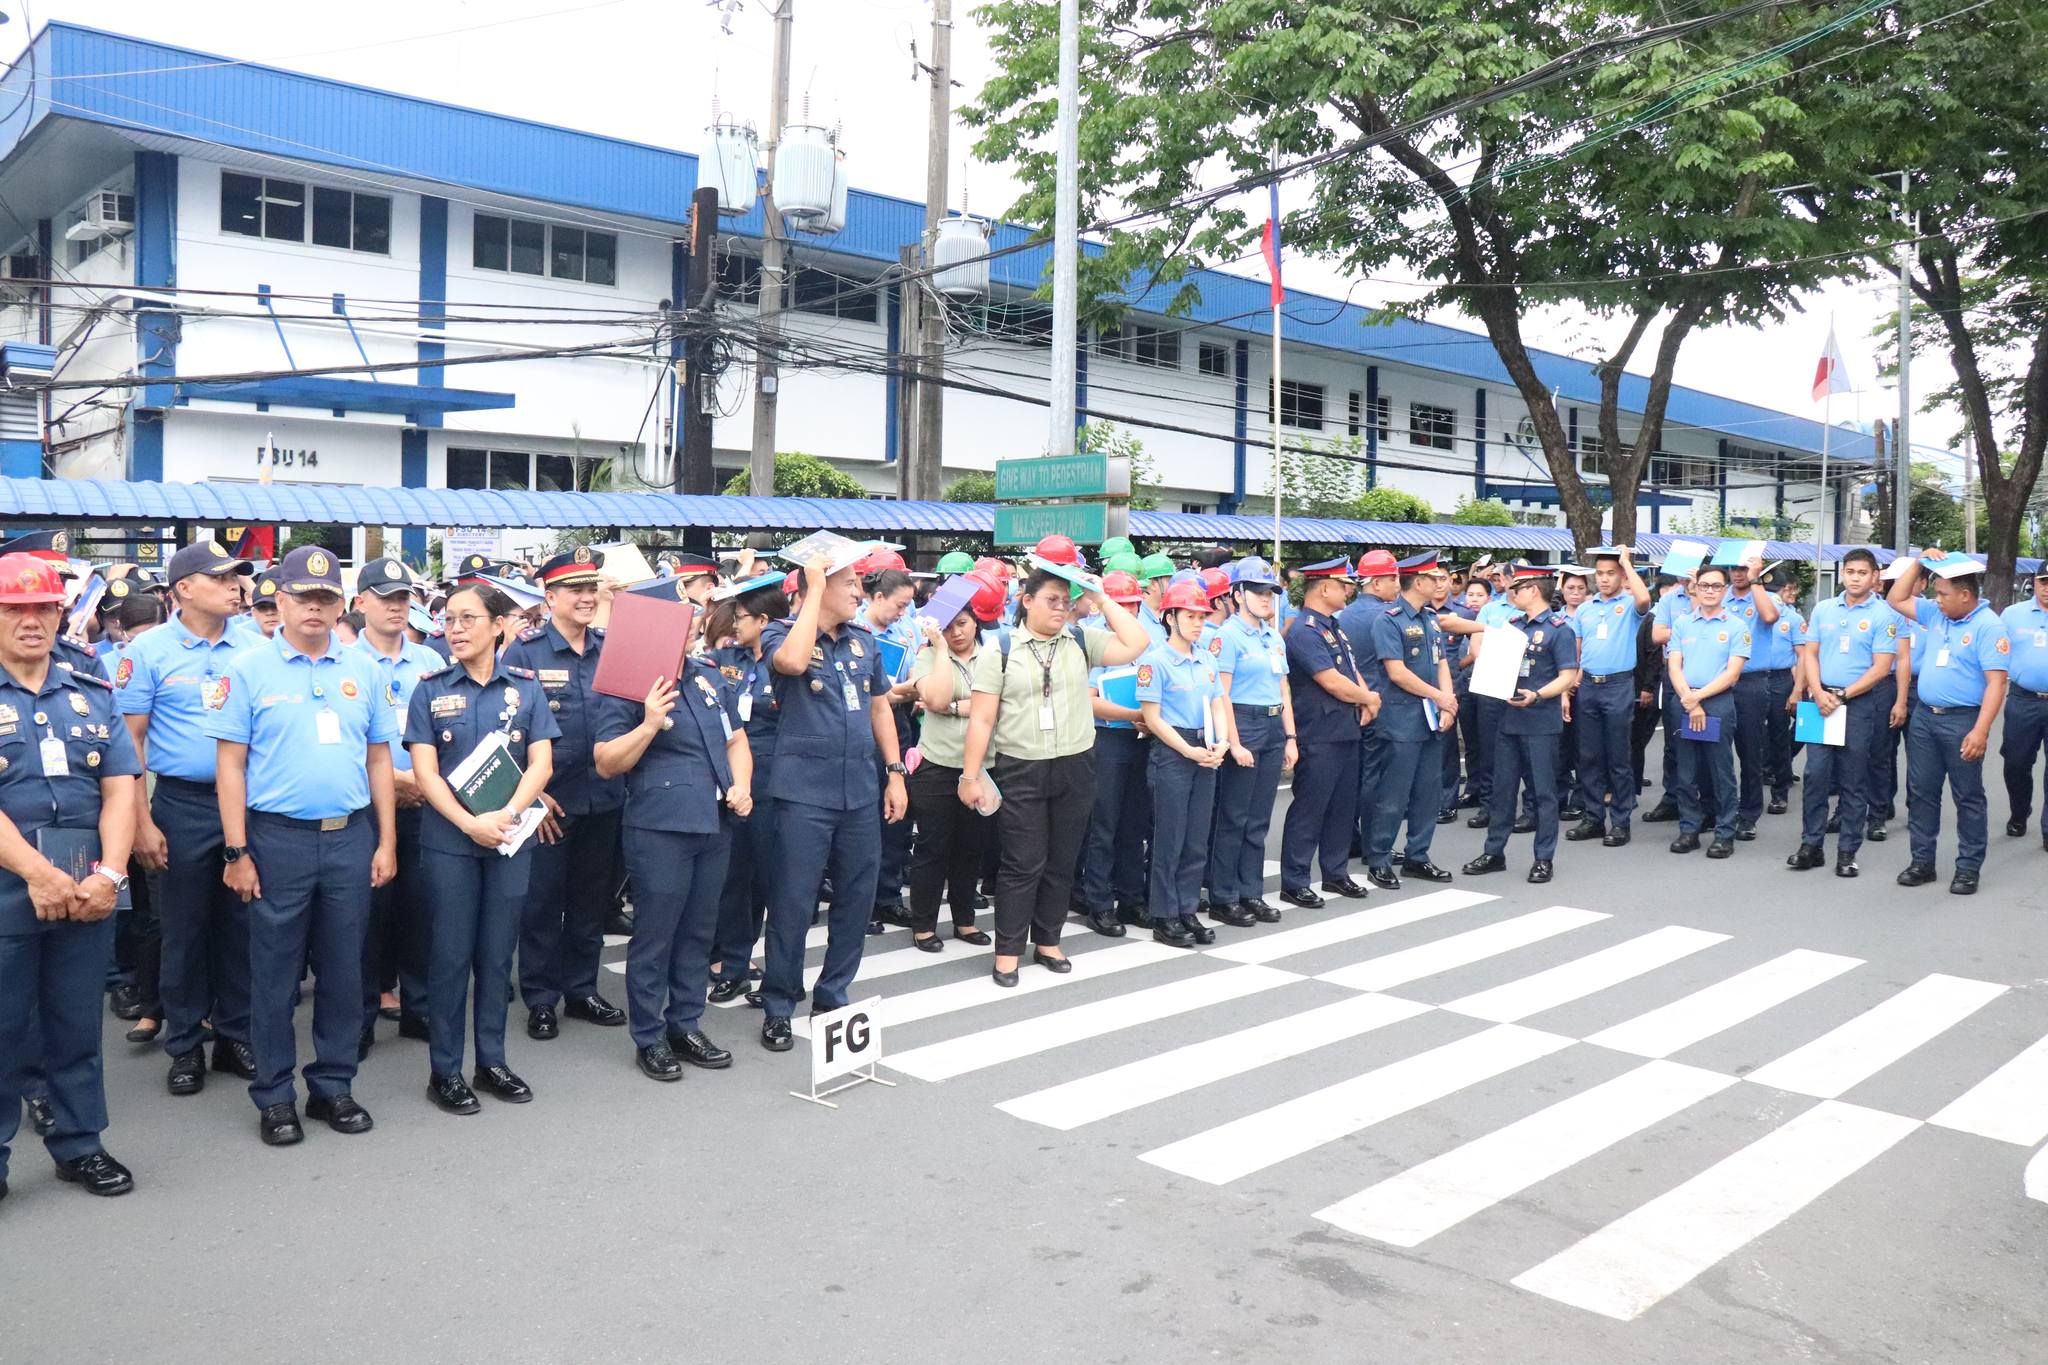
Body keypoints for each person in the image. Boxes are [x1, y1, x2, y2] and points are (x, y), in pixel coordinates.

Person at [206, 545, 398, 1146]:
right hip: (276, 840)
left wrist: (386, 840)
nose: (315, 608)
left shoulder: (363, 668)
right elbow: (230, 766)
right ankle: (274, 1096)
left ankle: (333, 1086)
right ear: (279, 600)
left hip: (349, 837)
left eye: (326, 599)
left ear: (341, 605)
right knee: (274, 975)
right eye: (302, 597)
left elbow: (378, 758)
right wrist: (236, 853)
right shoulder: (247, 668)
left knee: (345, 970)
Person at [0, 552, 142, 1200]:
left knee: (75, 1024)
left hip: (87, 889)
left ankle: (80, 1144)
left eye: (42, 608)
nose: (30, 620)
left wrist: (111, 872)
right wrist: (35, 871)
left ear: (60, 613)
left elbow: (120, 788)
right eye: (14, 609)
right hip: (8, 890)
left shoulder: (91, 690)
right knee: (4, 1025)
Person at [403, 584, 557, 1111]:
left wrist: (508, 816)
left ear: (498, 626)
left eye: (469, 618)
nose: (457, 628)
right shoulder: (430, 689)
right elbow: (425, 772)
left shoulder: (526, 688)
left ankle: (491, 1061)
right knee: (449, 957)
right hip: (450, 842)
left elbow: (542, 763)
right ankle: (444, 1070)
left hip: (510, 840)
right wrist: (470, 824)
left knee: (496, 957)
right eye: (449, 619)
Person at [115, 539, 258, 1098]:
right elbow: (131, 744)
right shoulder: (149, 652)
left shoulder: (251, 645)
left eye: (235, 578)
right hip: (179, 805)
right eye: (221, 578)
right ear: (183, 590)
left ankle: (234, 1035)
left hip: (244, 804)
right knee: (184, 932)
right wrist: (143, 824)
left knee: (241, 927)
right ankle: (184, 1047)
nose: (234, 587)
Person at [958, 568, 1147, 986]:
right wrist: (970, 776)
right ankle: (1008, 950)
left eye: (1066, 600)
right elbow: (983, 717)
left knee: (1062, 860)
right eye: (1051, 600)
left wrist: (1100, 596)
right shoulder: (1001, 648)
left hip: (1075, 764)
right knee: (1023, 862)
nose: (1061, 607)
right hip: (1020, 766)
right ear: (1026, 600)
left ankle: (1048, 940)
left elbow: (1137, 642)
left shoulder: (1080, 640)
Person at [758, 552, 909, 1048]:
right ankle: (779, 1002)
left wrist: (895, 772)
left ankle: (833, 994)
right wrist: (816, 590)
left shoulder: (864, 641)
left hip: (859, 792)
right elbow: (792, 664)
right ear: (818, 587)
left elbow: (879, 708)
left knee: (856, 899)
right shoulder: (782, 633)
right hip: (803, 794)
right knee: (794, 902)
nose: (859, 594)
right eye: (849, 584)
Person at [594, 642, 752, 1080]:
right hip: (659, 827)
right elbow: (606, 762)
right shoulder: (628, 684)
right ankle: (649, 1035)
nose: (688, 628)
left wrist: (742, 785)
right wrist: (647, 724)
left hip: (714, 821)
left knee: (698, 932)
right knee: (656, 936)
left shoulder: (707, 674)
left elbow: (735, 739)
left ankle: (685, 1024)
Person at [503, 548, 628, 1040]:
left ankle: (581, 989)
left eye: (590, 587)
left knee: (591, 902)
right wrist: (531, 796)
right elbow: (506, 729)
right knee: (541, 905)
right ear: (549, 597)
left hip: (604, 797)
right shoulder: (525, 652)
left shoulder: (609, 648)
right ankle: (540, 997)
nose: (585, 597)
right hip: (548, 802)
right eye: (573, 588)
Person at [351, 556, 444, 1055]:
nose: (395, 607)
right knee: (367, 916)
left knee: (422, 911)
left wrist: (421, 783)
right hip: (368, 807)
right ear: (361, 602)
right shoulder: (345, 661)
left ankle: (419, 1008)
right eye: (385, 598)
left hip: (425, 804)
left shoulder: (430, 662)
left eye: (403, 598)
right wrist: (395, 781)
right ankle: (362, 1014)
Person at [1886, 552, 2009, 894]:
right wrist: (1919, 563)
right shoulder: (1936, 615)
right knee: (1922, 792)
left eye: (1942, 594)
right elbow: (1896, 597)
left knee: (1967, 796)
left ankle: (1968, 868)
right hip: (1925, 717)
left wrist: (1980, 731)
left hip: (1962, 721)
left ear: (1965, 595)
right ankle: (1922, 862)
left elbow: (1997, 683)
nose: (1935, 600)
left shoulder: (1988, 626)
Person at [1462, 563, 1581, 883]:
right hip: (1508, 718)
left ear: (1532, 590)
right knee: (1502, 790)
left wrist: (1539, 695)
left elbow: (1567, 676)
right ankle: (1494, 851)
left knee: (1543, 793)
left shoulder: (1559, 629)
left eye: (1516, 588)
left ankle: (1543, 857)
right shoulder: (1513, 625)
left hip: (1540, 721)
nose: (1511, 593)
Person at [1786, 548, 1899, 878]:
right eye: (1850, 571)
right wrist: (1818, 691)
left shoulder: (1883, 615)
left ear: (1874, 577)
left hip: (1858, 703)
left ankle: (1847, 851)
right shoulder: (1823, 609)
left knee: (1853, 780)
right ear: (1842, 574)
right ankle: (1811, 845)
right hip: (1820, 701)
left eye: (1862, 573)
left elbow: (1881, 668)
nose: (1855, 578)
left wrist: (1843, 695)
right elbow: (1810, 653)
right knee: (1815, 776)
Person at [704, 575, 789, 1002]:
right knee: (735, 879)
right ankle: (733, 967)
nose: (734, 625)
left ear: (764, 619)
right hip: (735, 781)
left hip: (778, 784)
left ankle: (779, 974)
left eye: (740, 618)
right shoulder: (726, 659)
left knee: (777, 883)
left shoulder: (786, 660)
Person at [904, 577, 998, 950]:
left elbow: (1003, 706)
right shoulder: (928, 655)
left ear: (976, 621)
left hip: (982, 768)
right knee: (932, 848)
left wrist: (959, 707)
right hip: (937, 765)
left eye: (962, 623)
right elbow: (937, 698)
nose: (956, 632)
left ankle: (964, 921)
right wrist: (940, 648)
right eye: (947, 626)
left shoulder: (994, 655)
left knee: (970, 848)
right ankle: (924, 925)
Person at [1137, 580, 1232, 947]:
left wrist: (1221, 741)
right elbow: (1154, 719)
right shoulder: (1154, 661)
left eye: (1201, 616)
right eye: (1190, 616)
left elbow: (1216, 703)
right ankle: (1165, 914)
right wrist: (1189, 751)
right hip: (1172, 750)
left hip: (1205, 746)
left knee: (1196, 838)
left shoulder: (1206, 658)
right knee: (1169, 838)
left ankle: (1187, 908)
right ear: (1171, 617)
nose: (1197, 623)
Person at [1279, 558, 1377, 906]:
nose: (1348, 591)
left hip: (1344, 726)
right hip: (1318, 731)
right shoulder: (1305, 630)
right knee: (1311, 806)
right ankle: (1295, 879)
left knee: (1341, 806)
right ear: (1324, 588)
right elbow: (1330, 680)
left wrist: (1366, 698)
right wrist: (1369, 697)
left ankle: (1336, 873)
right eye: (1343, 585)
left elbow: (1350, 669)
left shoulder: (1333, 626)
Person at [1360, 552, 1458, 890]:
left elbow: (1441, 661)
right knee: (1394, 794)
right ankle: (1379, 858)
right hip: (1401, 717)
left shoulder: (1431, 618)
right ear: (1418, 582)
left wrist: (1448, 703)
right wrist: (1438, 697)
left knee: (1428, 792)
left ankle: (1418, 855)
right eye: (1434, 578)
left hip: (1431, 718)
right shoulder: (1389, 620)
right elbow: (1396, 672)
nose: (1440, 583)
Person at [1206, 557, 1294, 925]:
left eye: (1271, 592)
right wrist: (1234, 742)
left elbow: (1283, 688)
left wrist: (1290, 736)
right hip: (1244, 722)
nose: (1265, 599)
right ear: (1238, 594)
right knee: (1233, 817)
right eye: (1257, 592)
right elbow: (1221, 694)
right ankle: (1224, 896)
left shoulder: (1272, 636)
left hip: (1273, 726)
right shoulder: (1226, 636)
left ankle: (1250, 892)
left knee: (1258, 819)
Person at [1665, 564, 1750, 857]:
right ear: (1695, 588)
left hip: (1716, 702)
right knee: (1686, 771)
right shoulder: (1683, 624)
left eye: (1716, 586)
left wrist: (1697, 699)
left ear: (1725, 590)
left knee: (1720, 770)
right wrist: (1689, 699)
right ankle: (1689, 828)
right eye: (1704, 586)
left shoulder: (1736, 626)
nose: (1710, 591)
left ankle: (1725, 832)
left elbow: (1732, 673)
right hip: (1685, 700)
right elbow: (1674, 664)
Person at [1568, 547, 1650, 846]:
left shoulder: (1628, 605)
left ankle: (1620, 822)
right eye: (1599, 574)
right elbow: (1577, 652)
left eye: (1610, 573)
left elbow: (1644, 600)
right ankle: (1592, 818)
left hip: (1617, 686)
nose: (1604, 579)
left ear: (1620, 576)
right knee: (1588, 756)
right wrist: (1570, 687)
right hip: (1588, 685)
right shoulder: (1586, 609)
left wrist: (1627, 563)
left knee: (1618, 757)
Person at [855, 561, 920, 934]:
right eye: (898, 604)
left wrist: (912, 687)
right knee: (864, 818)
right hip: (861, 725)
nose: (903, 612)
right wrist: (894, 693)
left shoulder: (907, 630)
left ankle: (888, 896)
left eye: (908, 605)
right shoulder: (855, 629)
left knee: (897, 814)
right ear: (877, 597)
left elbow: (914, 676)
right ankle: (861, 904)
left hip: (898, 723)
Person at [1340, 549, 1401, 854]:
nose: (1398, 585)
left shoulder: (1342, 615)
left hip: (1349, 704)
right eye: (1393, 579)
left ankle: (1349, 837)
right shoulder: (1387, 617)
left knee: (1354, 774)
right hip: (1380, 704)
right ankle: (1373, 843)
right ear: (1376, 583)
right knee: (1374, 777)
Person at [1722, 557, 1781, 841]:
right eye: (1734, 567)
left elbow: (1770, 617)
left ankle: (1748, 814)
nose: (1738, 573)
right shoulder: (1720, 598)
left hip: (1751, 683)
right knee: (1715, 752)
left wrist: (1756, 580)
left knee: (1750, 753)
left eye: (1743, 568)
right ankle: (1720, 808)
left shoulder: (1765, 597)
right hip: (1719, 684)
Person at [1999, 567, 2048, 845]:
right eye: (2044, 582)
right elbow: (1995, 652)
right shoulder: (2012, 615)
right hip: (2023, 700)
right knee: (2015, 763)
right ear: (2034, 582)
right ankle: (2019, 812)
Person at [1757, 570, 1807, 815]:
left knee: (1779, 737)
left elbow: (1803, 655)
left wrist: (1797, 690)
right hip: (1752, 679)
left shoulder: (1793, 619)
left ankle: (1780, 791)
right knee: (1750, 737)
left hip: (1779, 680)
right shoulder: (1751, 614)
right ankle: (1752, 791)